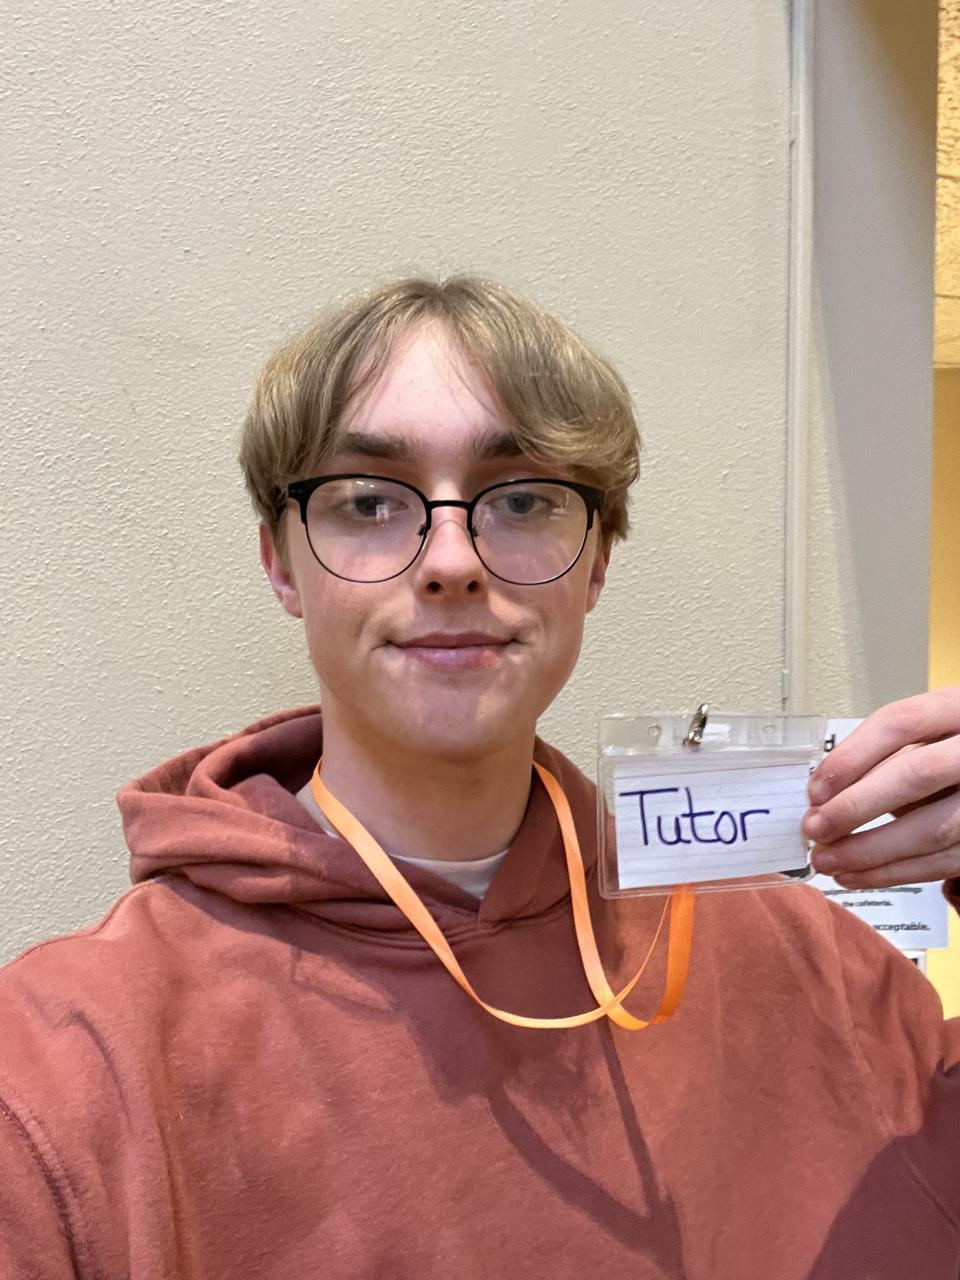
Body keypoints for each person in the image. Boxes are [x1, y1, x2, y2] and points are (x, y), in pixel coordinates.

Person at [0, 276, 958, 1279]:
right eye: (370, 501)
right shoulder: (68, 1070)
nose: (452, 560)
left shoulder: (801, 962)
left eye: (523, 499)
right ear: (282, 564)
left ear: (596, 562)